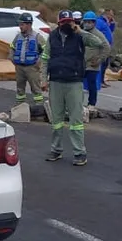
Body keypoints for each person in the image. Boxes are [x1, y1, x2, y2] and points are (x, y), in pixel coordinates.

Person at [43, 10, 106, 165]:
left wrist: (81, 31)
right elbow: (45, 58)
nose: (67, 24)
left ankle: (79, 153)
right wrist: (43, 79)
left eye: (70, 22)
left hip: (74, 82)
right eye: (64, 22)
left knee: (76, 120)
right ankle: (56, 149)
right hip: (56, 82)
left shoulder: (80, 36)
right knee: (56, 120)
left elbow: (99, 43)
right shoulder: (52, 37)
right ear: (59, 23)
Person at [10, 12, 47, 104]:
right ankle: (20, 107)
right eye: (20, 24)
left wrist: (38, 62)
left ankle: (39, 109)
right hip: (19, 67)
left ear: (29, 24)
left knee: (36, 90)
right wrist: (12, 58)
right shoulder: (18, 36)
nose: (20, 26)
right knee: (20, 90)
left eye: (22, 24)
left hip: (32, 68)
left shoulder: (37, 37)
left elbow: (46, 51)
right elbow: (12, 47)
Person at [79, 11, 110, 107]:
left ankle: (92, 104)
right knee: (78, 85)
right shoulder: (82, 33)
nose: (87, 24)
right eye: (86, 22)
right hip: (81, 64)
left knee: (92, 85)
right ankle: (78, 103)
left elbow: (107, 47)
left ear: (94, 23)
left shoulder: (98, 34)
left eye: (90, 22)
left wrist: (100, 60)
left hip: (92, 65)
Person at [97, 9, 116, 87]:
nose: (112, 16)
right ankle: (99, 81)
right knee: (102, 64)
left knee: (105, 64)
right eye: (111, 15)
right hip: (102, 47)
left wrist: (112, 24)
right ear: (106, 14)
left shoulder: (107, 22)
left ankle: (102, 80)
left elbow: (111, 31)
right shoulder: (100, 21)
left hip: (108, 47)